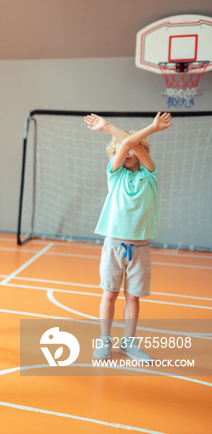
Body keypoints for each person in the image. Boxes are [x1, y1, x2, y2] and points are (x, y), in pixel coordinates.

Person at [84, 112, 172, 362]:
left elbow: (131, 144)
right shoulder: (115, 174)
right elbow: (124, 144)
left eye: (135, 149)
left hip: (140, 247)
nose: (128, 153)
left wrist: (146, 132)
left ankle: (129, 343)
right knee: (109, 294)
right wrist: (110, 127)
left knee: (132, 297)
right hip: (114, 244)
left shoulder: (150, 174)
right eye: (123, 152)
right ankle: (104, 339)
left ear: (141, 151)